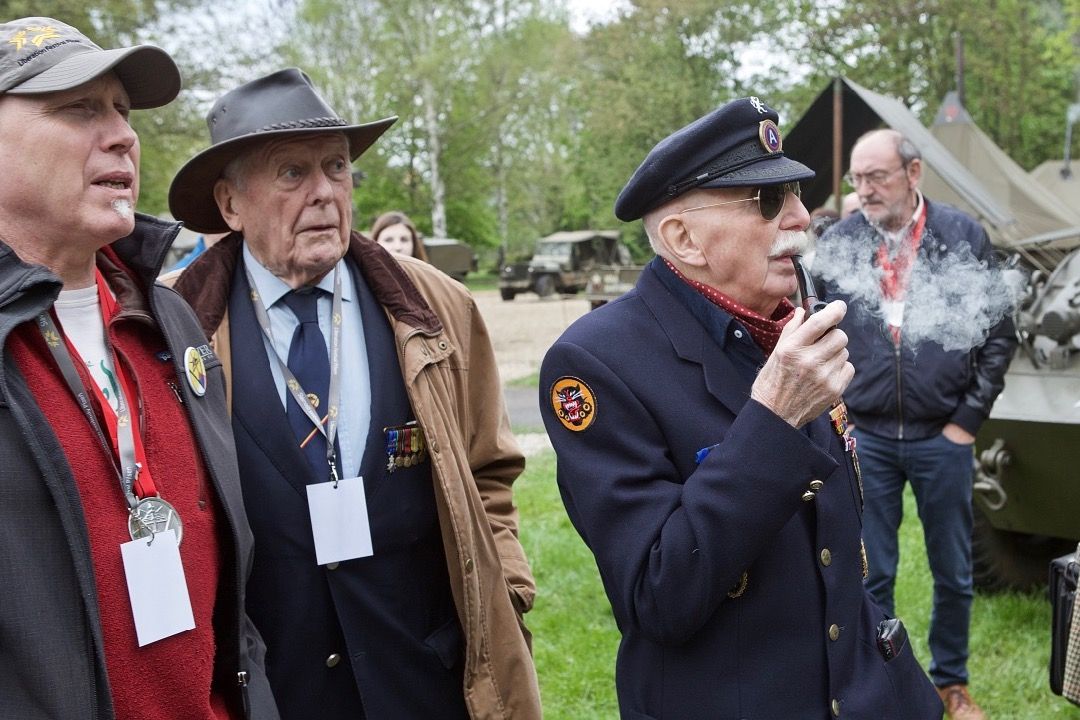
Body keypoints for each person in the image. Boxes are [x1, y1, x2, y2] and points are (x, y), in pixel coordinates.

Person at [539, 98, 943, 718]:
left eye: (798, 196)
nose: (802, 219)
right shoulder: (596, 363)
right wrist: (774, 419)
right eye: (767, 201)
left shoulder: (789, 321)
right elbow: (659, 594)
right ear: (683, 238)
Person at [167, 68, 541, 720]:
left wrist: (506, 589)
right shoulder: (173, 323)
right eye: (291, 173)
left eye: (337, 168)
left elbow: (491, 470)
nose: (324, 194)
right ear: (230, 205)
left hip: (429, 678)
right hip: (274, 688)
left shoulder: (437, 305)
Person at [0, 16, 277, 719]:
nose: (123, 134)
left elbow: (229, 581)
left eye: (123, 110)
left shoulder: (167, 317)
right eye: (79, 108)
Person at [819, 128, 1017, 720]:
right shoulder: (842, 241)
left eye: (876, 176)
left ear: (913, 173)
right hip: (868, 437)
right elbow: (817, 327)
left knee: (953, 570)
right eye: (856, 179)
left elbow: (999, 335)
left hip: (942, 437)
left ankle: (951, 683)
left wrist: (967, 420)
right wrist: (842, 413)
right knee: (870, 571)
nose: (865, 190)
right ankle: (882, 684)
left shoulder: (962, 236)